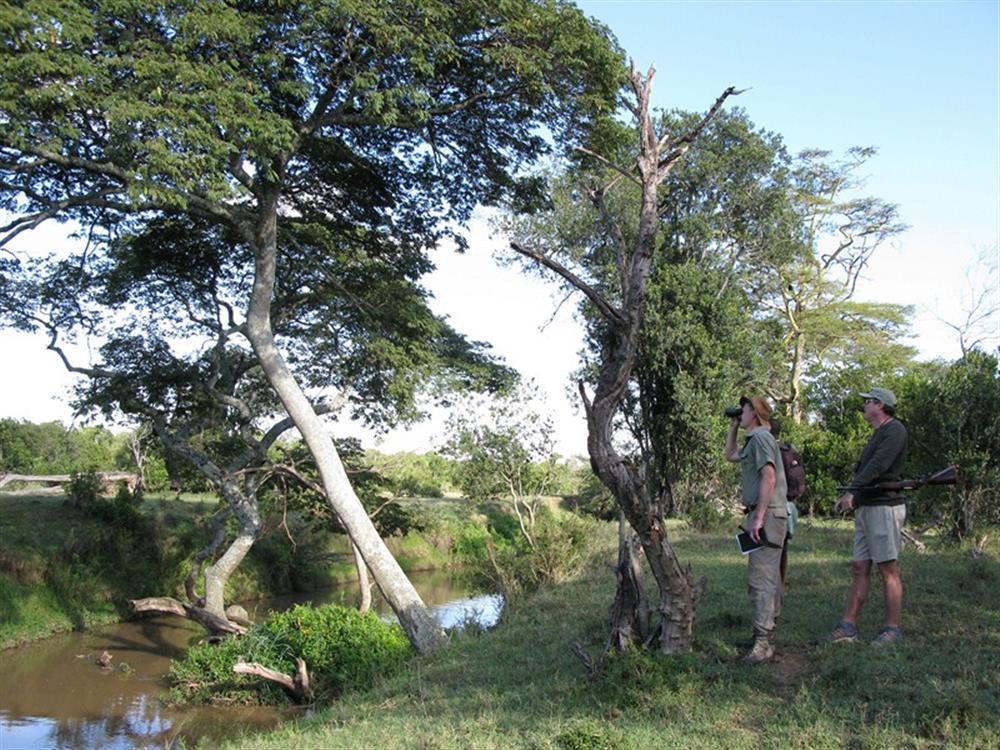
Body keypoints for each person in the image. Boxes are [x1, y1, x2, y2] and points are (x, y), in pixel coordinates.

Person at [819, 387, 908, 647]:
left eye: (868, 401)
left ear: (879, 405)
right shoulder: (879, 433)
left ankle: (893, 629)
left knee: (887, 569)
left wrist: (853, 490)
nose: (864, 405)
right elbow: (869, 468)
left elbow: (879, 465)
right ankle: (848, 626)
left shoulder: (895, 430)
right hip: (867, 506)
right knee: (859, 567)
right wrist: (856, 494)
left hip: (884, 507)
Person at [725, 395, 788, 664]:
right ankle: (763, 635)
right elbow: (730, 455)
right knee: (767, 577)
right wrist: (733, 427)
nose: (742, 411)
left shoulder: (762, 439)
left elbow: (769, 476)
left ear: (757, 414)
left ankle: (763, 643)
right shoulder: (755, 440)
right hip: (767, 514)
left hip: (768, 515)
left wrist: (759, 517)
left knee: (761, 579)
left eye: (746, 408)